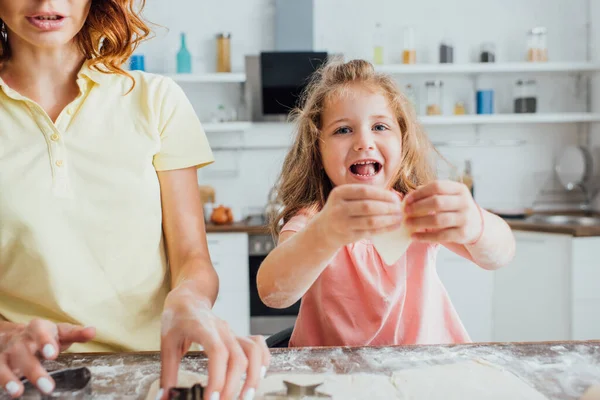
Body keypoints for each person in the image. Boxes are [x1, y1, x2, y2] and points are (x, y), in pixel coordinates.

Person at [0, 1, 268, 400]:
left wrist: (190, 300)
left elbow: (192, 257)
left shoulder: (156, 100)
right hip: (28, 377)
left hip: (155, 373)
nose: (47, 3)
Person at [257, 59, 516, 348]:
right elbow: (273, 292)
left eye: (380, 126)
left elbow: (500, 255)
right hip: (336, 376)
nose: (364, 142)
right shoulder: (314, 221)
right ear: (317, 151)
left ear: (403, 142)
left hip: (421, 369)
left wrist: (475, 223)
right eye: (343, 130)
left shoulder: (417, 213)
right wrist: (326, 234)